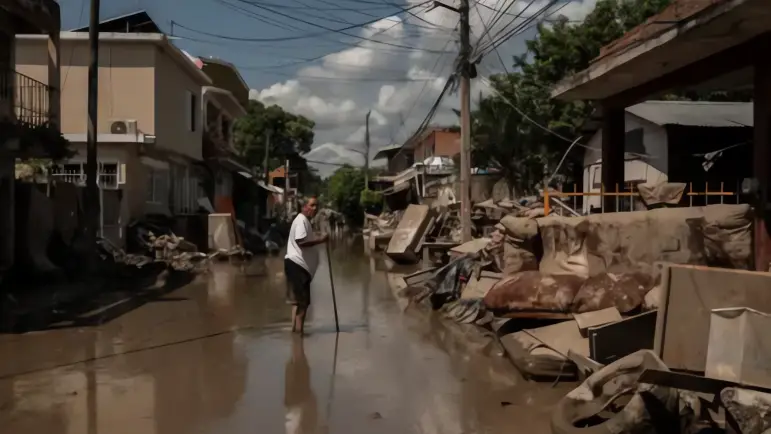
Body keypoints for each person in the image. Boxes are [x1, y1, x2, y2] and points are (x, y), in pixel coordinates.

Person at [284, 197, 328, 334]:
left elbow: (304, 238)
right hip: (298, 267)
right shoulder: (302, 220)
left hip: (294, 265)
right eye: (312, 205)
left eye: (317, 206)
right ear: (305, 207)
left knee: (297, 302)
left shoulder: (302, 221)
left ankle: (295, 333)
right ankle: (299, 336)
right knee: (303, 304)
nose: (315, 208)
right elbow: (301, 242)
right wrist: (321, 240)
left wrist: (317, 236)